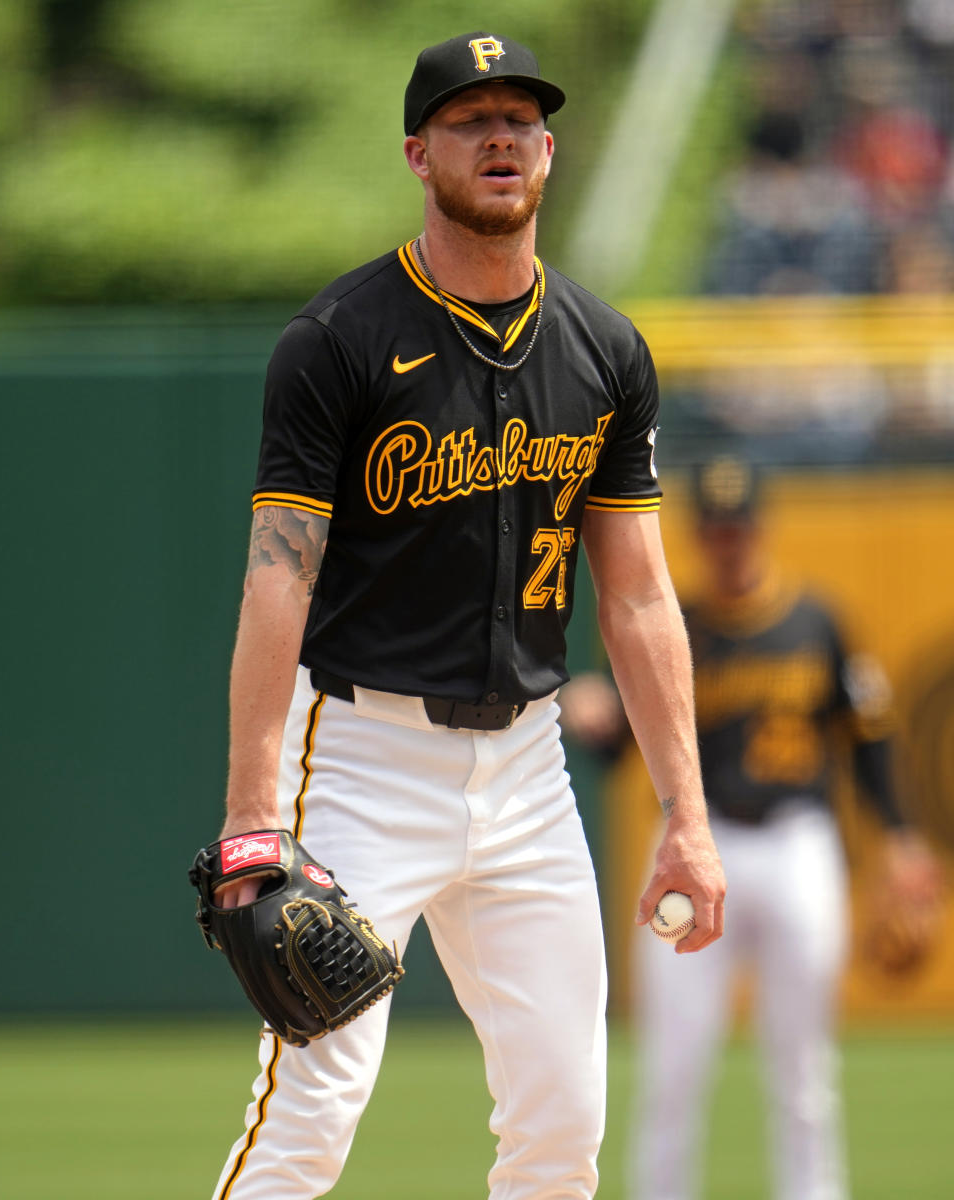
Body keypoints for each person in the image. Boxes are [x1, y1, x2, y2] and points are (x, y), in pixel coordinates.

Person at [208, 32, 725, 1200]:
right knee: (308, 1119)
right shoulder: (337, 339)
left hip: (529, 770)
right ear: (417, 153)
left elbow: (638, 594)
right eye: (467, 118)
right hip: (361, 758)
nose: (500, 136)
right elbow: (276, 578)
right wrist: (252, 821)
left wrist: (686, 815)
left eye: (520, 118)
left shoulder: (603, 348)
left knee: (561, 1132)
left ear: (548, 150)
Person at [559, 455, 943, 1200]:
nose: (727, 541)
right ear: (699, 535)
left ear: (760, 528)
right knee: (673, 1066)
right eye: (715, 529)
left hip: (800, 846)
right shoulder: (681, 628)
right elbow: (620, 746)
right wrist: (595, 720)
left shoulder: (815, 621)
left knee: (803, 1068)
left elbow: (869, 738)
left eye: (738, 527)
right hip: (699, 850)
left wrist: (898, 836)